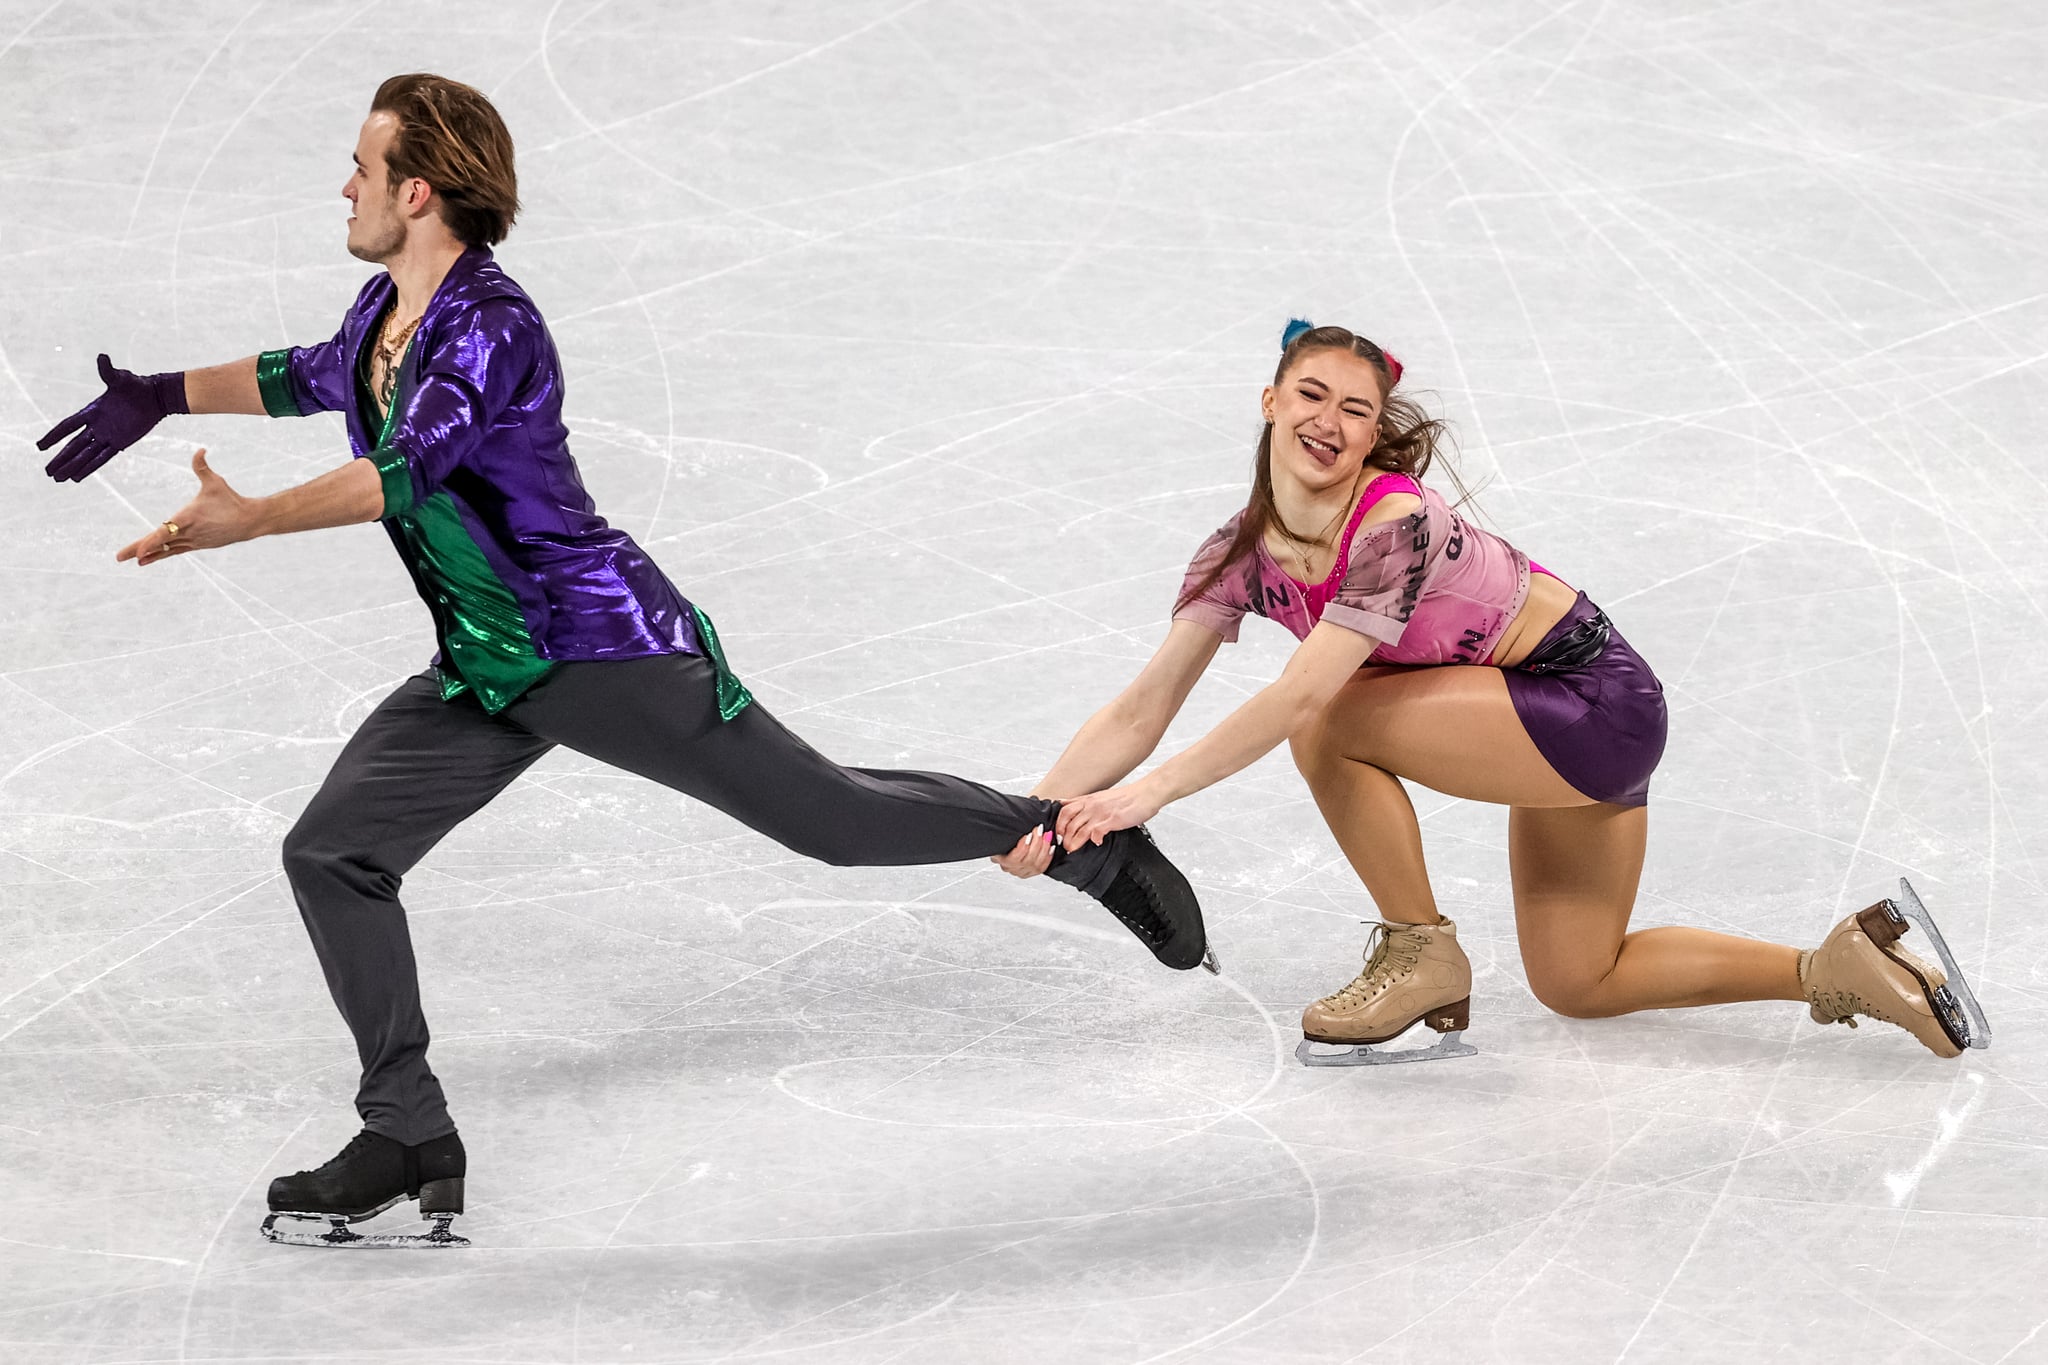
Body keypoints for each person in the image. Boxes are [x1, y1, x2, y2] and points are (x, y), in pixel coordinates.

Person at [32, 74, 1214, 1249]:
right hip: (489, 660)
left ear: (420, 189)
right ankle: (406, 1131)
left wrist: (254, 519)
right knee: (334, 852)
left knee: (831, 819)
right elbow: (302, 374)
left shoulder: (490, 326)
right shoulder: (379, 314)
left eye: (362, 166)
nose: (345, 184)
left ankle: (1077, 839)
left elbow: (408, 470)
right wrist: (159, 394)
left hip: (603, 647)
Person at [992, 319, 1990, 1069]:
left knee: (1330, 720)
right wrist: (1032, 815)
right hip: (1522, 722)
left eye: (1354, 409)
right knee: (1578, 978)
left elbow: (1302, 700)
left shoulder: (1390, 522)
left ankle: (1422, 953)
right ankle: (1835, 969)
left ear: (1377, 432)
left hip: (1589, 700)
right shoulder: (1234, 555)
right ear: (1267, 401)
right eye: (1309, 395)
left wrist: (1141, 799)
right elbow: (1139, 706)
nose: (1328, 423)